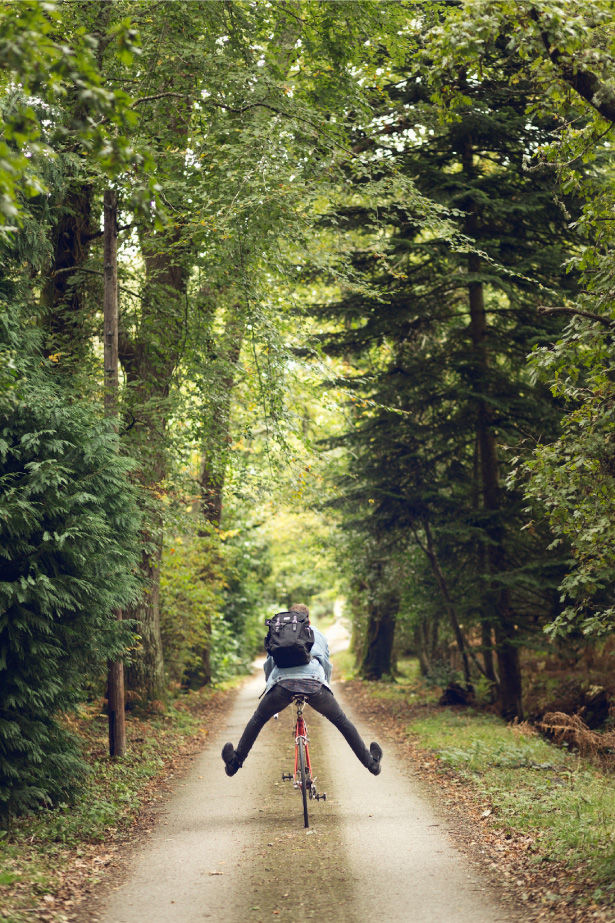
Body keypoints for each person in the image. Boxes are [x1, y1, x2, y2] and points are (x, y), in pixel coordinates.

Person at [221, 603, 383, 776]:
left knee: (258, 719)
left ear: (289, 617)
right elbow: (326, 665)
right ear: (308, 620)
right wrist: (325, 690)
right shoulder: (317, 633)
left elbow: (269, 664)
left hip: (281, 686)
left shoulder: (279, 631)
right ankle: (371, 764)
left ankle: (234, 764)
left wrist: (270, 689)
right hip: (315, 685)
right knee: (342, 721)